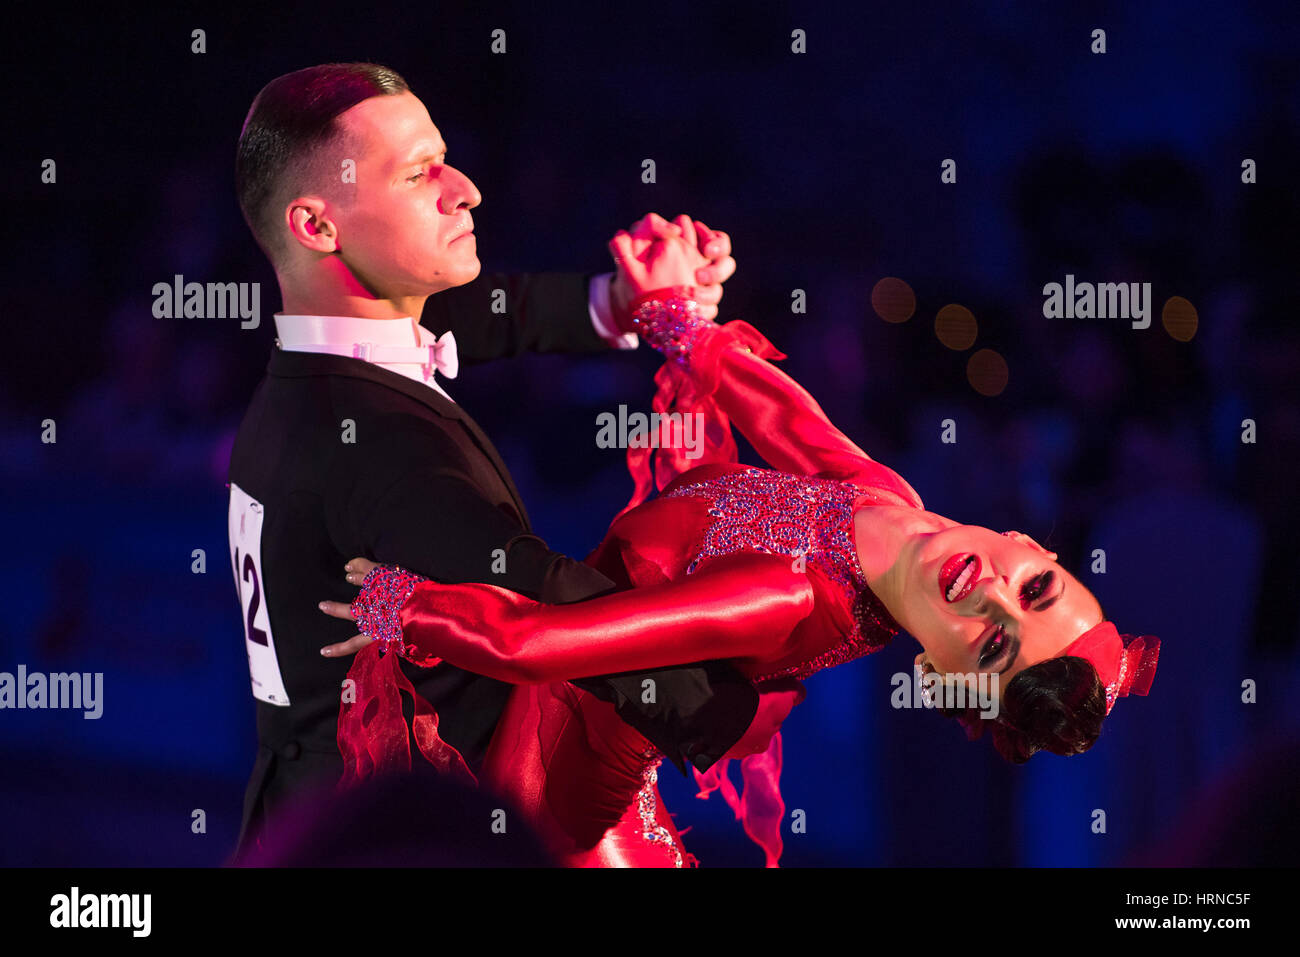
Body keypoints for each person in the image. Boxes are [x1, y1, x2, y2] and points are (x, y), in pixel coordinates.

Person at [319, 226, 1161, 867]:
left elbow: (534, 642)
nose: (992, 596)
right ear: (1029, 543)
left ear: (942, 668)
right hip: (574, 749)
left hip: (563, 801)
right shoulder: (894, 506)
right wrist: (671, 309)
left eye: (995, 645)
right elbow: (775, 410)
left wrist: (398, 603)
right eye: (1035, 589)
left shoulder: (786, 596)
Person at [226, 61, 786, 862]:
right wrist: (729, 703)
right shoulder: (381, 445)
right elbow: (546, 599)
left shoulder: (321, 365)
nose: (466, 188)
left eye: (445, 156)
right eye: (421, 174)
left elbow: (486, 314)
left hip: (302, 816)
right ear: (318, 227)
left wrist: (621, 303)